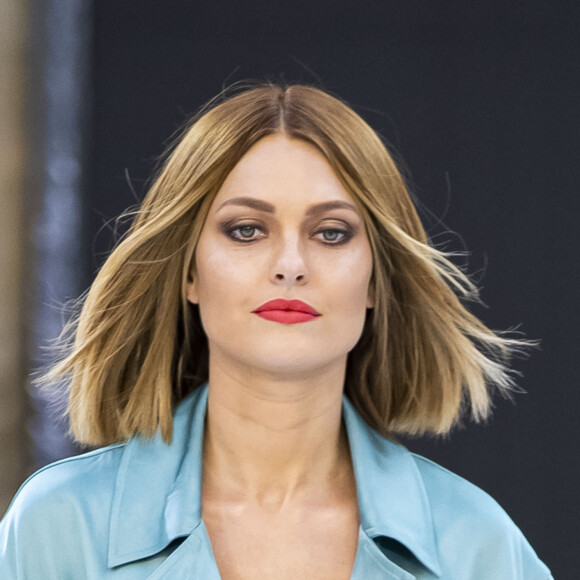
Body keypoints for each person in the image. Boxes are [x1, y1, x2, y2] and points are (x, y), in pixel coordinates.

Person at [0, 83, 551, 579]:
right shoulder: (59, 525)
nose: (291, 264)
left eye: (331, 233)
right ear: (189, 270)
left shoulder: (477, 547)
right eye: (246, 230)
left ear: (377, 280)